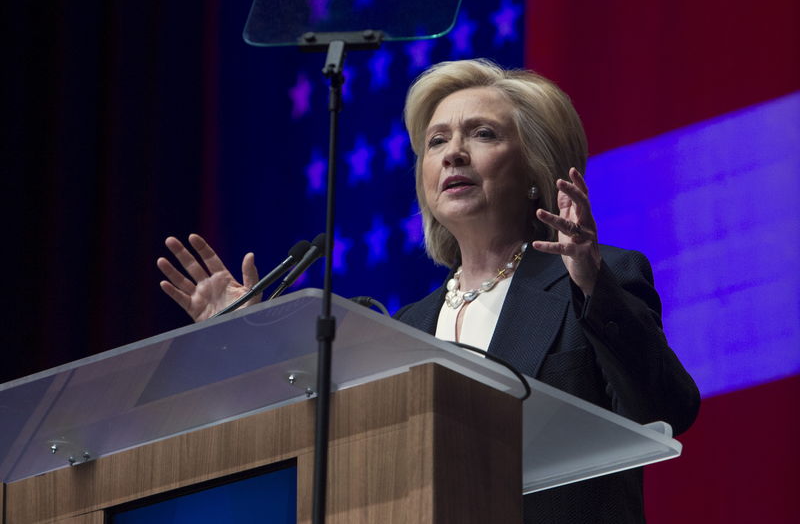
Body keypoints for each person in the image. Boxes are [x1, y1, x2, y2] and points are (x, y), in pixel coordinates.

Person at [158, 59, 700, 523]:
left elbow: (664, 407)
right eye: (436, 141)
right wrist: (256, 344)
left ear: (536, 170)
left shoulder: (596, 280)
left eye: (482, 134)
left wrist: (589, 282)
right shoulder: (404, 329)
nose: (453, 153)